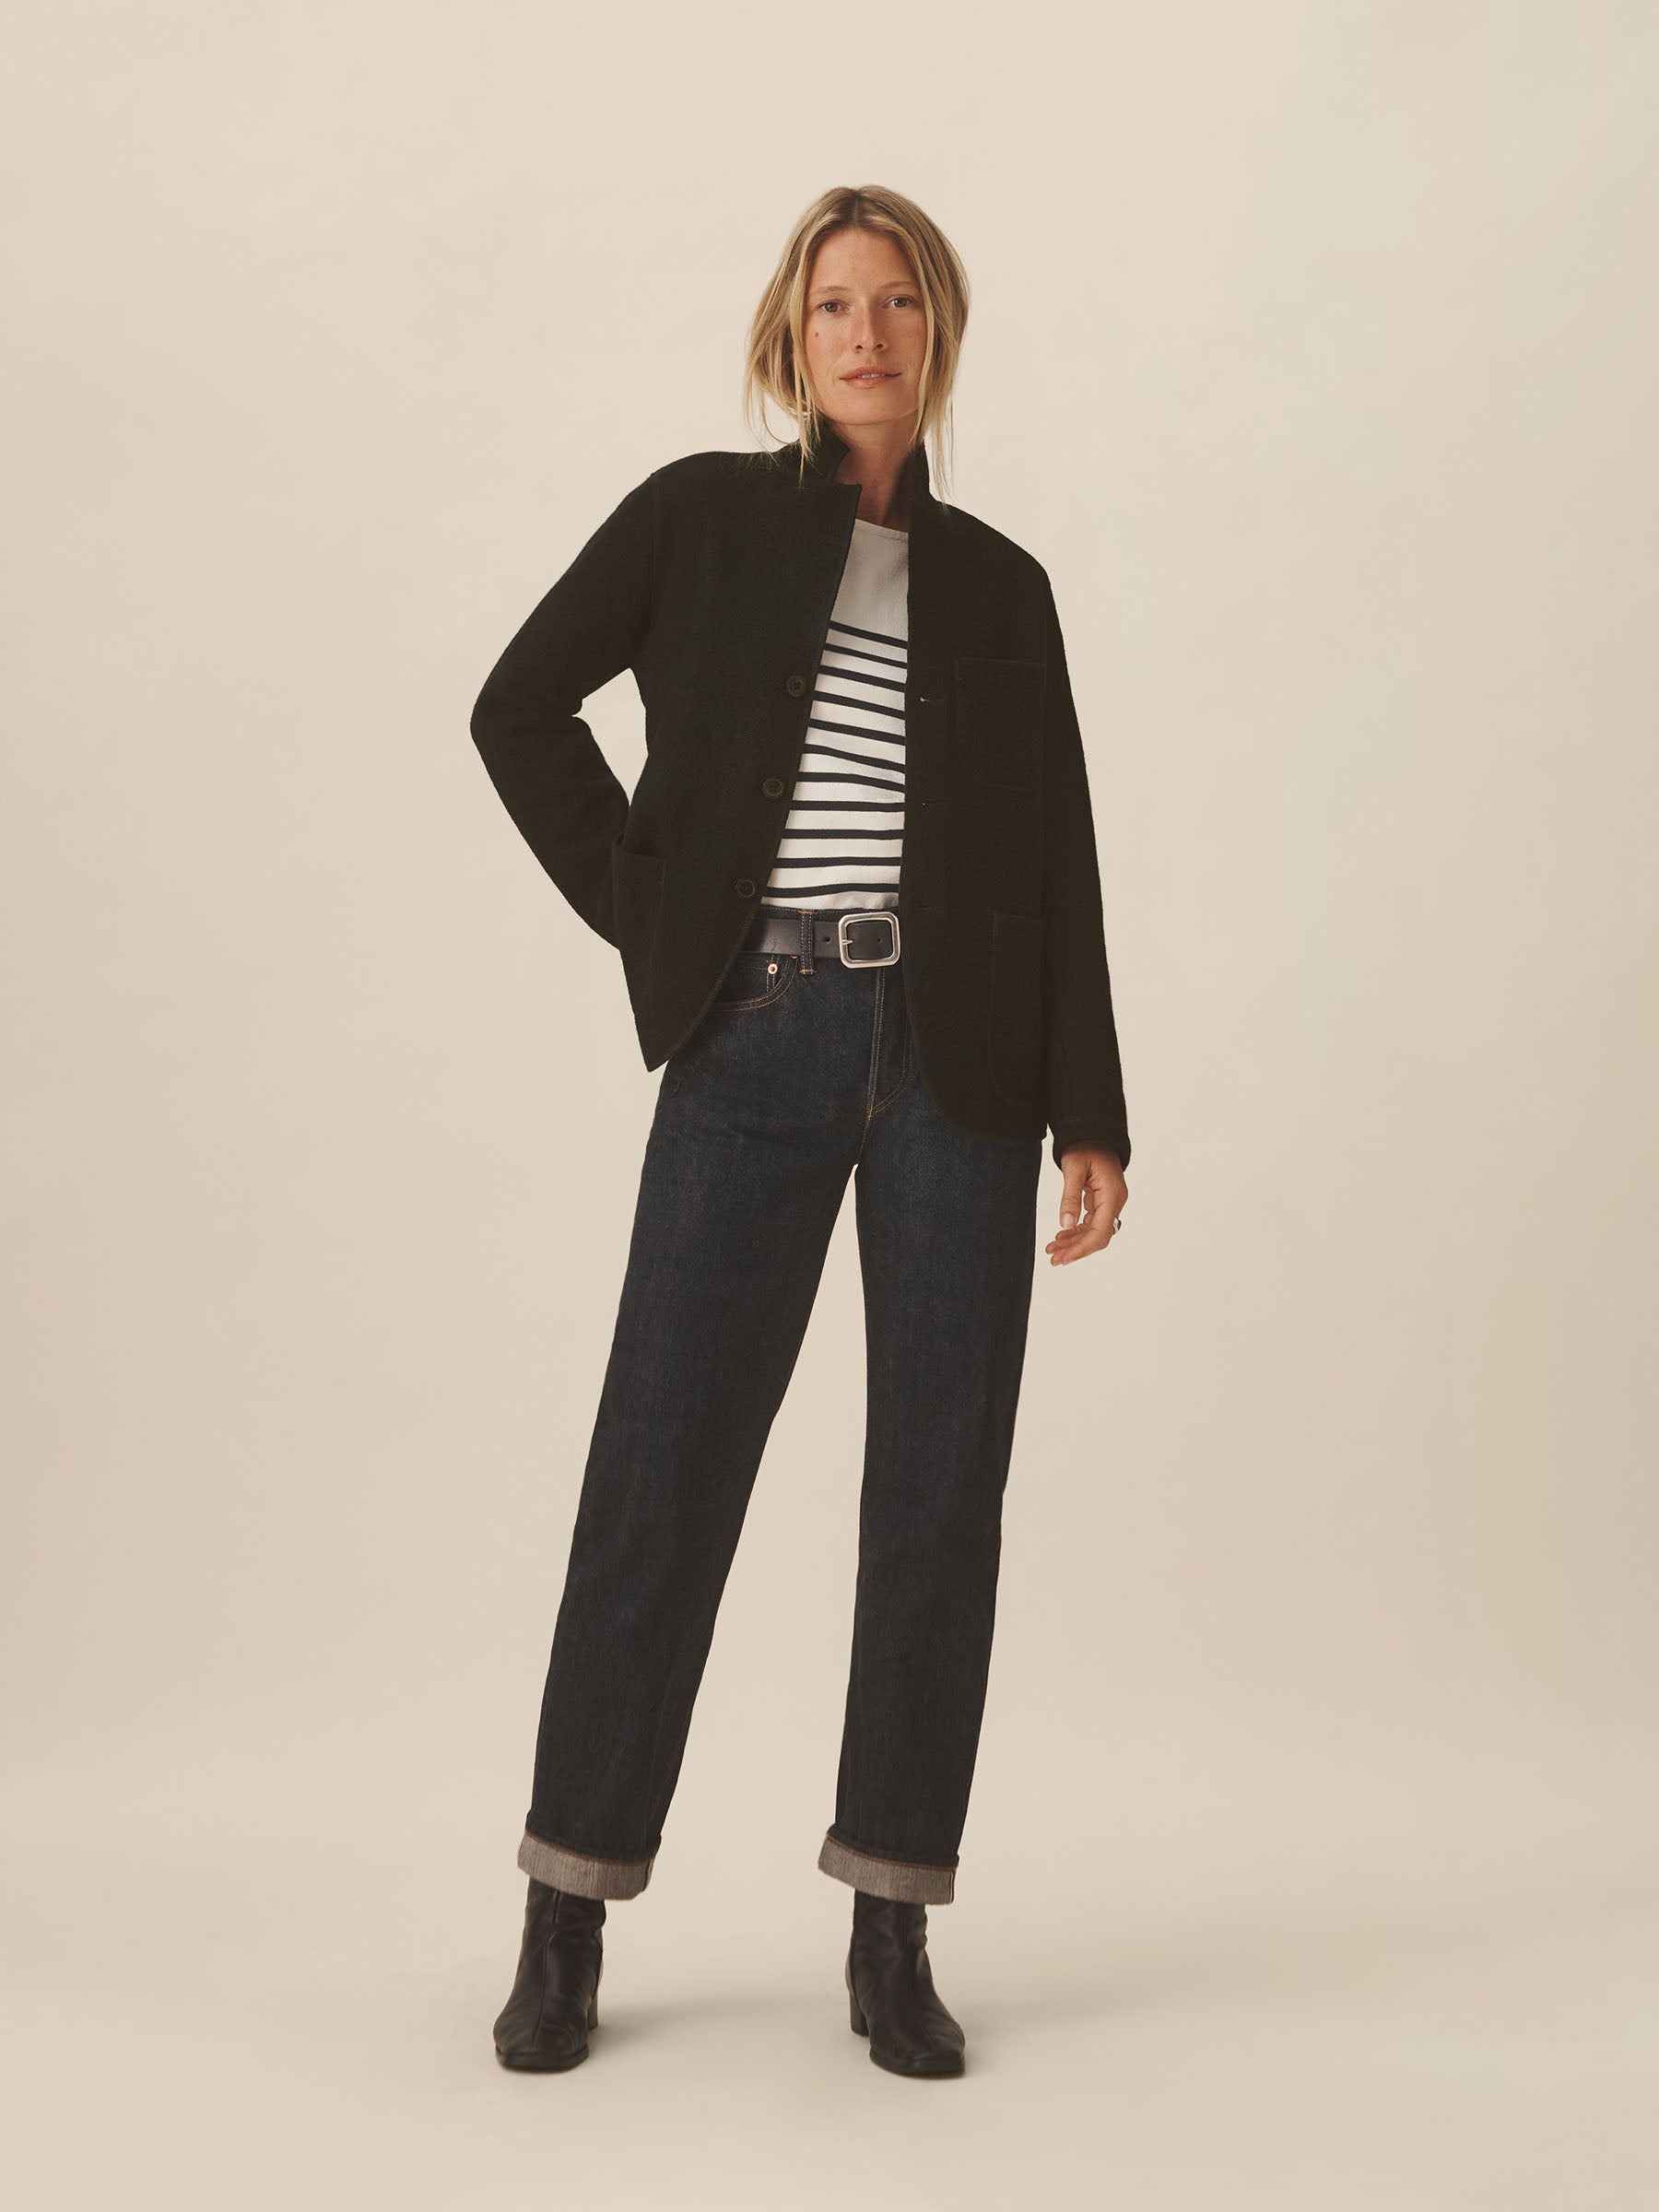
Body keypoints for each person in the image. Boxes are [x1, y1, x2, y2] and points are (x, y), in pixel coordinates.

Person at [471, 184, 1131, 2080]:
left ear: (938, 334)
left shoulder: (1001, 586)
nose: (866, 332)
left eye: (898, 301)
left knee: (939, 1488)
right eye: (835, 302)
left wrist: (1091, 1106)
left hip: (958, 1063)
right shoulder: (698, 517)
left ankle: (890, 1921)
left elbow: (1060, 854)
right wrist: (657, 917)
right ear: (791, 333)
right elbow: (519, 709)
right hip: (753, 1038)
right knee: (662, 1467)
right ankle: (567, 1907)